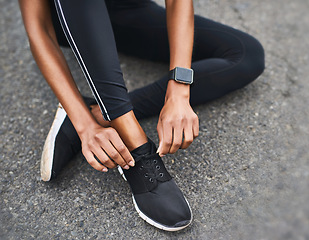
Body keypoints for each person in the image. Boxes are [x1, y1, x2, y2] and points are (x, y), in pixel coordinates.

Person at [19, 0, 265, 231]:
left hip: (126, 8)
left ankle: (99, 113)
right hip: (71, 15)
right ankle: (138, 149)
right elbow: (40, 29)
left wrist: (178, 91)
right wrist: (85, 128)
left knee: (245, 55)